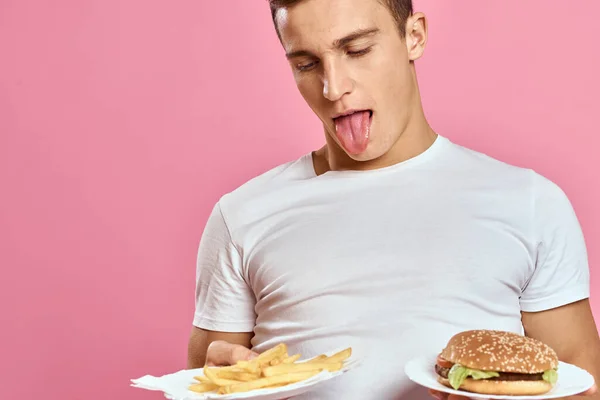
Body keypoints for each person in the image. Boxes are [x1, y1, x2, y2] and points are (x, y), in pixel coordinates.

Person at [187, 0, 600, 398]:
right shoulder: (240, 217)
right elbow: (204, 382)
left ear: (414, 36)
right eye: (306, 64)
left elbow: (583, 386)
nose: (334, 88)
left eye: (358, 50)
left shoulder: (530, 204)